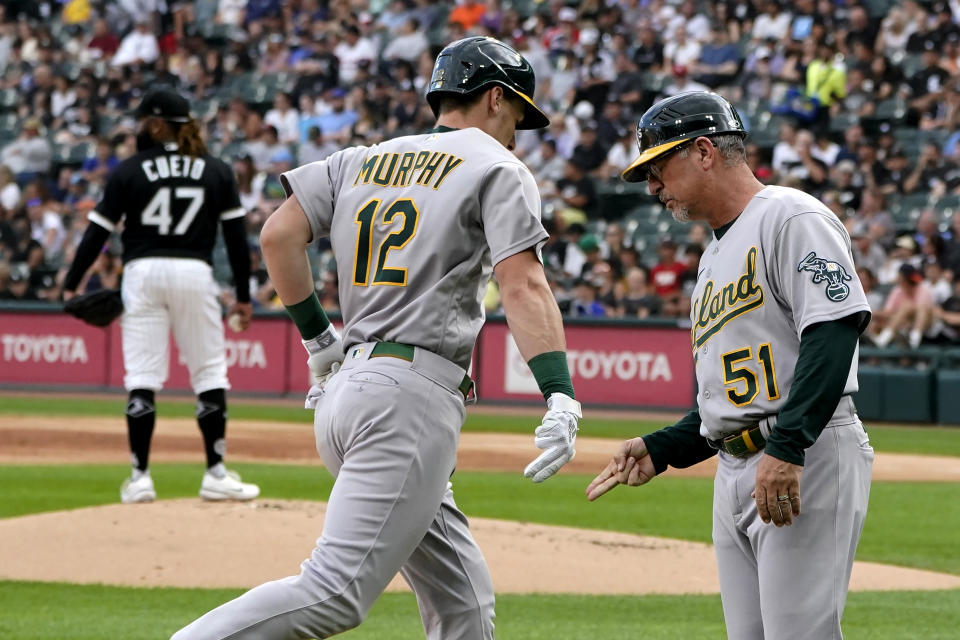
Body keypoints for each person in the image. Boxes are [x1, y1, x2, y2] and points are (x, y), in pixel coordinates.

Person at [172, 36, 580, 640]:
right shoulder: (497, 166)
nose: (518, 132)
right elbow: (523, 287)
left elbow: (278, 235)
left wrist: (318, 342)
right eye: (518, 113)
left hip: (348, 390)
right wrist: (559, 393)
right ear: (496, 98)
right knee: (334, 593)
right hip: (408, 398)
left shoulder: (361, 157)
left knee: (463, 601)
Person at [587, 92, 874, 640]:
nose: (651, 187)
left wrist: (789, 446)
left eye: (657, 166)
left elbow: (833, 331)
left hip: (801, 453)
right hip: (736, 465)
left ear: (702, 152)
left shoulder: (791, 216)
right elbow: (729, 398)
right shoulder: (714, 256)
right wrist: (665, 447)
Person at [62, 88, 258, 504]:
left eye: (140, 122)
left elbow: (98, 231)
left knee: (142, 377)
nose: (136, 130)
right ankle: (216, 472)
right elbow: (237, 241)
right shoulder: (216, 169)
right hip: (194, 272)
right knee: (208, 373)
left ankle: (140, 477)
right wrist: (243, 295)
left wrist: (72, 281)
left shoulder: (129, 170)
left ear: (155, 124)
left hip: (142, 272)